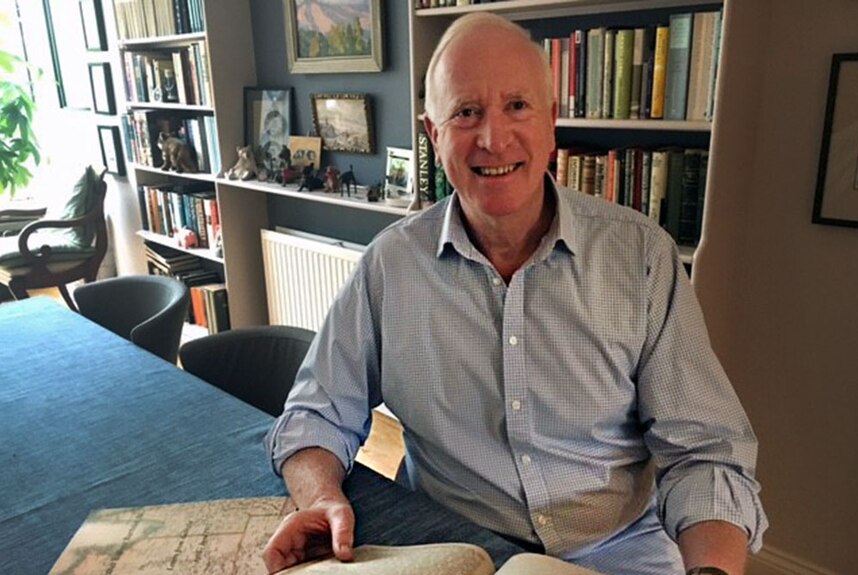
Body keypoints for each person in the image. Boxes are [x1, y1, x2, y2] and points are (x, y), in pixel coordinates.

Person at [263, 12, 767, 575]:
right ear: (434, 133)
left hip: (618, 556)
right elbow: (315, 412)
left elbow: (704, 453)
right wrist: (323, 497)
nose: (493, 137)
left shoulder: (640, 258)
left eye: (517, 106)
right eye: (467, 112)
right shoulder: (391, 264)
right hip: (449, 546)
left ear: (552, 123)